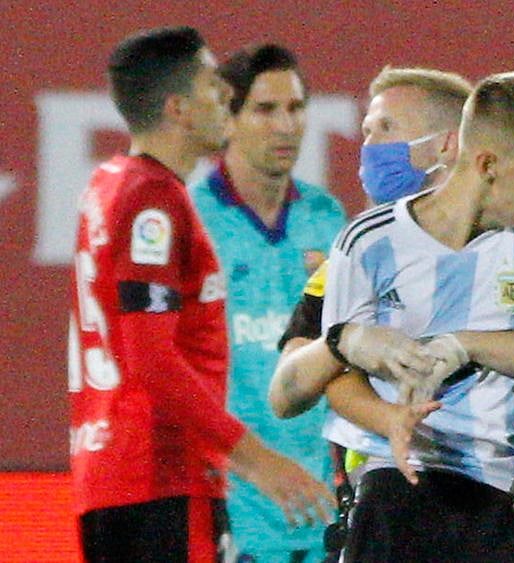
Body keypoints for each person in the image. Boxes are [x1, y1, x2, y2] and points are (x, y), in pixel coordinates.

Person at [269, 67, 514, 560]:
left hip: (503, 513)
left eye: (385, 130)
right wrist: (344, 347)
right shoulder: (357, 256)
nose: (368, 147)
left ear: (449, 145)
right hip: (388, 506)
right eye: (366, 131)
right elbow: (292, 385)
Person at [69, 27, 333, 562]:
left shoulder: (111, 183)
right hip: (159, 473)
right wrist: (259, 459)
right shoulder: (153, 202)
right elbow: (150, 358)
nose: (225, 100)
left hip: (117, 473)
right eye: (215, 87)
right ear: (179, 108)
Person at [190, 44, 346, 562]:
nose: (286, 126)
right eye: (265, 109)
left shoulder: (326, 219)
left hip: (317, 503)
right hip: (230, 502)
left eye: (296, 108)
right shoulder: (194, 220)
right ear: (227, 119)